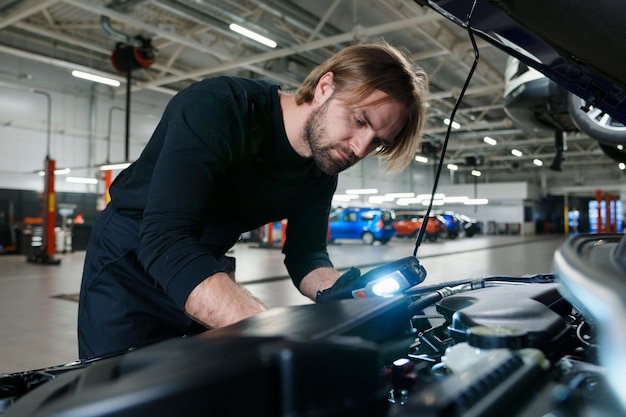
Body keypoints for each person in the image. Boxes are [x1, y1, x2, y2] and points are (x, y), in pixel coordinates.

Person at [77, 42, 429, 359]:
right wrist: (274, 331)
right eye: (359, 120)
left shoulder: (323, 165)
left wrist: (337, 293)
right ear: (325, 87)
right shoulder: (220, 108)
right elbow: (165, 239)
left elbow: (306, 254)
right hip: (129, 265)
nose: (359, 148)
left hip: (201, 270)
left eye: (377, 142)